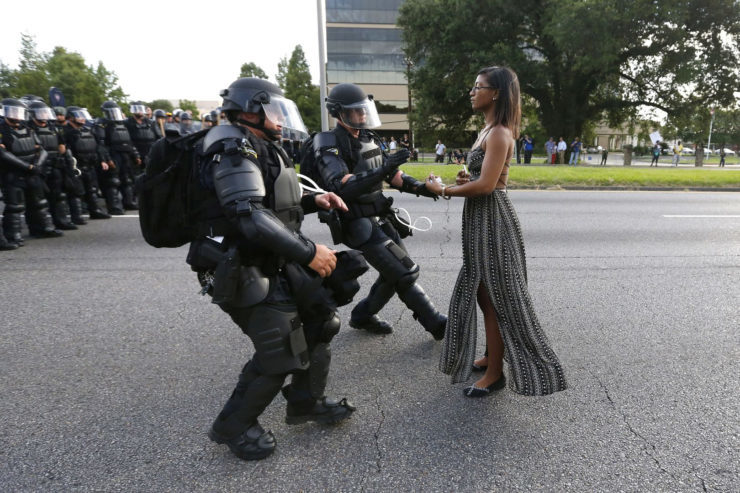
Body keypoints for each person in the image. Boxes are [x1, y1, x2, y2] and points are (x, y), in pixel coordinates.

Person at [186, 78, 356, 461]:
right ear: (250, 110)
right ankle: (233, 426)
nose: (281, 118)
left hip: (271, 258)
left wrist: (315, 200)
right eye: (274, 110)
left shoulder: (256, 144)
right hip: (240, 265)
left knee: (320, 321)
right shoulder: (231, 147)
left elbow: (272, 202)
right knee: (280, 350)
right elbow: (250, 216)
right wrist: (310, 252)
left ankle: (304, 401)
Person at [424, 66, 567, 398]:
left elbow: (488, 186)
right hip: (480, 219)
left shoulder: (500, 132)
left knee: (496, 298)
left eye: (478, 86)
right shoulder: (487, 130)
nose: (472, 91)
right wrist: (465, 178)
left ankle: (495, 373)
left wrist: (442, 189)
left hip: (493, 221)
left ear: (497, 93)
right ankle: (492, 355)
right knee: (482, 293)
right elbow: (480, 178)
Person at [311, 82, 447, 339]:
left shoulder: (368, 138)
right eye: (356, 111)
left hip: (380, 216)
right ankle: (437, 324)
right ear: (338, 112)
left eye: (364, 110)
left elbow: (393, 175)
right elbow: (339, 185)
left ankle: (363, 315)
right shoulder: (328, 141)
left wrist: (423, 188)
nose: (362, 116)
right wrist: (384, 170)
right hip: (355, 222)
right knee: (405, 272)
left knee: (393, 273)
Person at [0, 98, 63, 244]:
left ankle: (43, 228)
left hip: (32, 171)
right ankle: (13, 235)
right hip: (13, 173)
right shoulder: (2, 130)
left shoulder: (28, 129)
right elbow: (3, 154)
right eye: (13, 111)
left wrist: (37, 165)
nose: (16, 115)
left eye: (18, 112)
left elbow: (41, 149)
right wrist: (27, 167)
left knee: (39, 202)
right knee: (15, 206)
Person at [27, 100, 77, 230]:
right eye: (40, 112)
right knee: (38, 199)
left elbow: (62, 145)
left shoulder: (52, 127)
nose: (43, 115)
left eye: (45, 112)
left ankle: (61, 221)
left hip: (55, 165)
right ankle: (38, 227)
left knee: (58, 195)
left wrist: (65, 160)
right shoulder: (28, 128)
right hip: (38, 167)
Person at [64, 107, 112, 220]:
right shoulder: (66, 132)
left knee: (92, 190)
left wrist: (102, 160)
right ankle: (77, 216)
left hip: (90, 165)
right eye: (79, 116)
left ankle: (95, 211)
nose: (82, 119)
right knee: (76, 192)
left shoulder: (89, 131)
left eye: (83, 116)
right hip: (77, 166)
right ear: (71, 117)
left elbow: (98, 147)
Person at [97, 101, 140, 212]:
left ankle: (128, 202)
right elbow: (101, 145)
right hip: (113, 154)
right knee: (113, 181)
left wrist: (135, 155)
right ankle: (114, 206)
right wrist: (107, 159)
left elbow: (129, 142)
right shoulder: (103, 125)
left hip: (126, 155)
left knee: (127, 180)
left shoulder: (122, 124)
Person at [124, 102, 157, 176]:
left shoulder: (151, 123)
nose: (139, 111)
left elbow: (157, 138)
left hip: (149, 154)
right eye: (137, 109)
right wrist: (135, 155)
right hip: (135, 155)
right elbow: (127, 140)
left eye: (141, 109)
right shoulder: (127, 123)